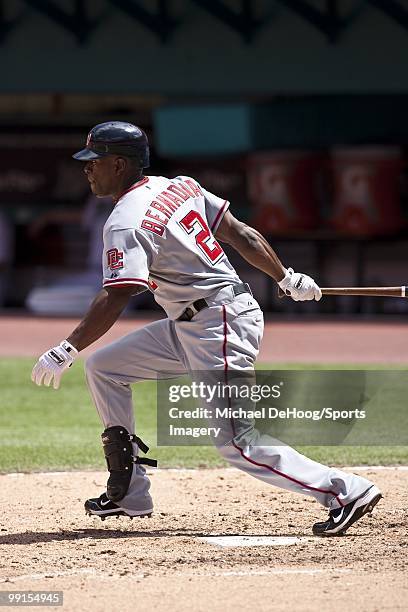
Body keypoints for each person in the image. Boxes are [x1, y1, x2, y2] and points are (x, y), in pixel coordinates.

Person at [31, 122, 381, 536]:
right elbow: (240, 233)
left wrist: (67, 348)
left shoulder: (125, 221)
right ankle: (130, 492)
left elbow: (118, 293)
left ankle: (344, 491)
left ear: (120, 164)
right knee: (106, 369)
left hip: (219, 324)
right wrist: (285, 277)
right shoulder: (179, 186)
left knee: (236, 443)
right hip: (191, 322)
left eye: (96, 162)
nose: (87, 170)